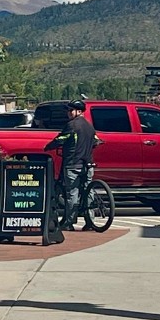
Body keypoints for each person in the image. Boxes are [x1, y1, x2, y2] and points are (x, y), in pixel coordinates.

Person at [44, 99, 97, 232]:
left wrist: (49, 146)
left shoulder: (72, 125)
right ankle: (90, 220)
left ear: (79, 111)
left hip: (73, 163)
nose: (68, 113)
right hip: (88, 164)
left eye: (70, 110)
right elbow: (96, 141)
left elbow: (61, 139)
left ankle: (69, 222)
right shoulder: (90, 126)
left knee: (72, 193)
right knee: (88, 191)